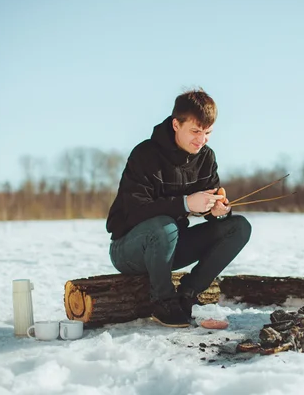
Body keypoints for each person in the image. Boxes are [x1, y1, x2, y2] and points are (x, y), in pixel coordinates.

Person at [106, 89, 252, 328]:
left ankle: (187, 295)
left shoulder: (206, 158)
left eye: (207, 133)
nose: (201, 139)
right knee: (164, 225)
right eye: (195, 131)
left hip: (170, 246)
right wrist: (185, 203)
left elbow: (213, 205)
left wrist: (218, 212)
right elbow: (134, 212)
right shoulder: (145, 154)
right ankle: (162, 301)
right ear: (176, 124)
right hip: (129, 249)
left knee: (238, 227)